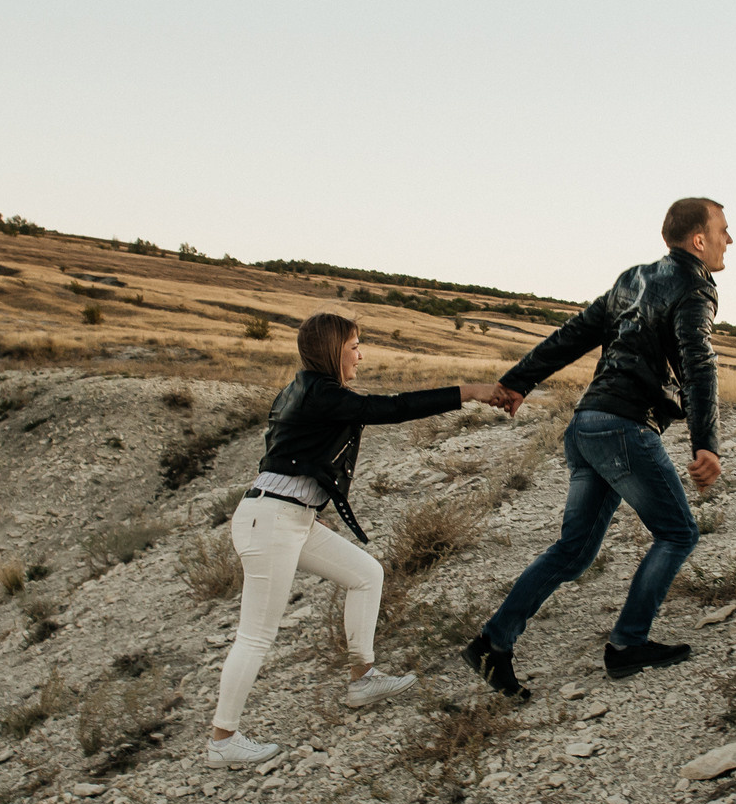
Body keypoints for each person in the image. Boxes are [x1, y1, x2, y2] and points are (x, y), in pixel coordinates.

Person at [205, 313, 514, 766]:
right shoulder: (322, 393)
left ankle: (362, 678)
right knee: (255, 635)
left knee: (367, 574)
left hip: (287, 518)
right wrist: (467, 392)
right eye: (354, 346)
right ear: (333, 350)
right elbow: (386, 410)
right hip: (271, 522)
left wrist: (310, 509)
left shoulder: (305, 389)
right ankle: (222, 740)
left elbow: (283, 447)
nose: (360, 355)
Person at [463, 197, 730, 698]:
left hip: (587, 426)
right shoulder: (695, 286)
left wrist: (518, 381)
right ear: (698, 239)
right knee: (678, 532)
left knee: (573, 552)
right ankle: (628, 644)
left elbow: (573, 335)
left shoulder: (632, 278)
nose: (728, 241)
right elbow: (699, 362)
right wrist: (706, 442)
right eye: (723, 230)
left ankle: (491, 644)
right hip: (625, 429)